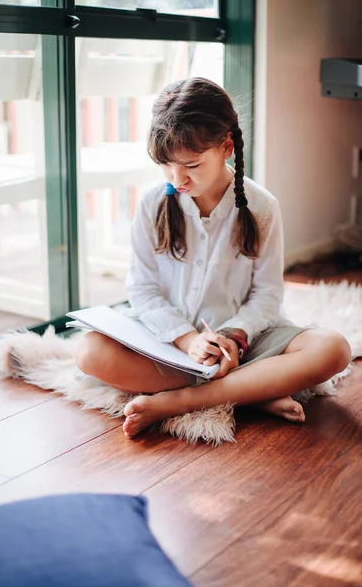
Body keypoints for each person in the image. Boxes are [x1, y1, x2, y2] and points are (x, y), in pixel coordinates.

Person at [76, 77, 351, 438]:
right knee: (89, 352)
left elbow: (267, 296)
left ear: (226, 147)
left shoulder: (262, 207)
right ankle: (250, 392)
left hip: (245, 344)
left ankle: (182, 400)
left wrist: (233, 336)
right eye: (167, 165)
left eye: (191, 166)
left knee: (332, 349)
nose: (177, 180)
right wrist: (188, 341)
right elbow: (142, 290)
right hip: (170, 343)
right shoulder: (152, 203)